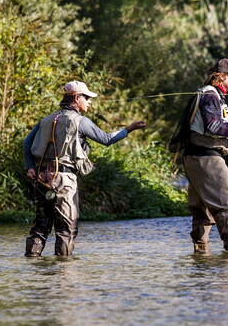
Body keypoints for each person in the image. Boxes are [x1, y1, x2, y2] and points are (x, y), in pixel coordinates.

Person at [22, 81, 146, 256]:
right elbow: (106, 139)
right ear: (76, 98)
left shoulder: (47, 119)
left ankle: (32, 269)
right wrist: (130, 128)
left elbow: (27, 143)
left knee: (40, 227)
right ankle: (64, 275)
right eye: (86, 97)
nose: (89, 101)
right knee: (66, 229)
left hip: (42, 177)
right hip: (64, 178)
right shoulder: (80, 121)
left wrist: (30, 167)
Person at [180, 58, 228, 253]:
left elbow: (210, 129)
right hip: (207, 161)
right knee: (225, 207)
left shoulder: (209, 95)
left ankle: (200, 257)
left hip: (193, 160)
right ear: (221, 76)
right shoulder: (211, 96)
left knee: (201, 211)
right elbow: (213, 126)